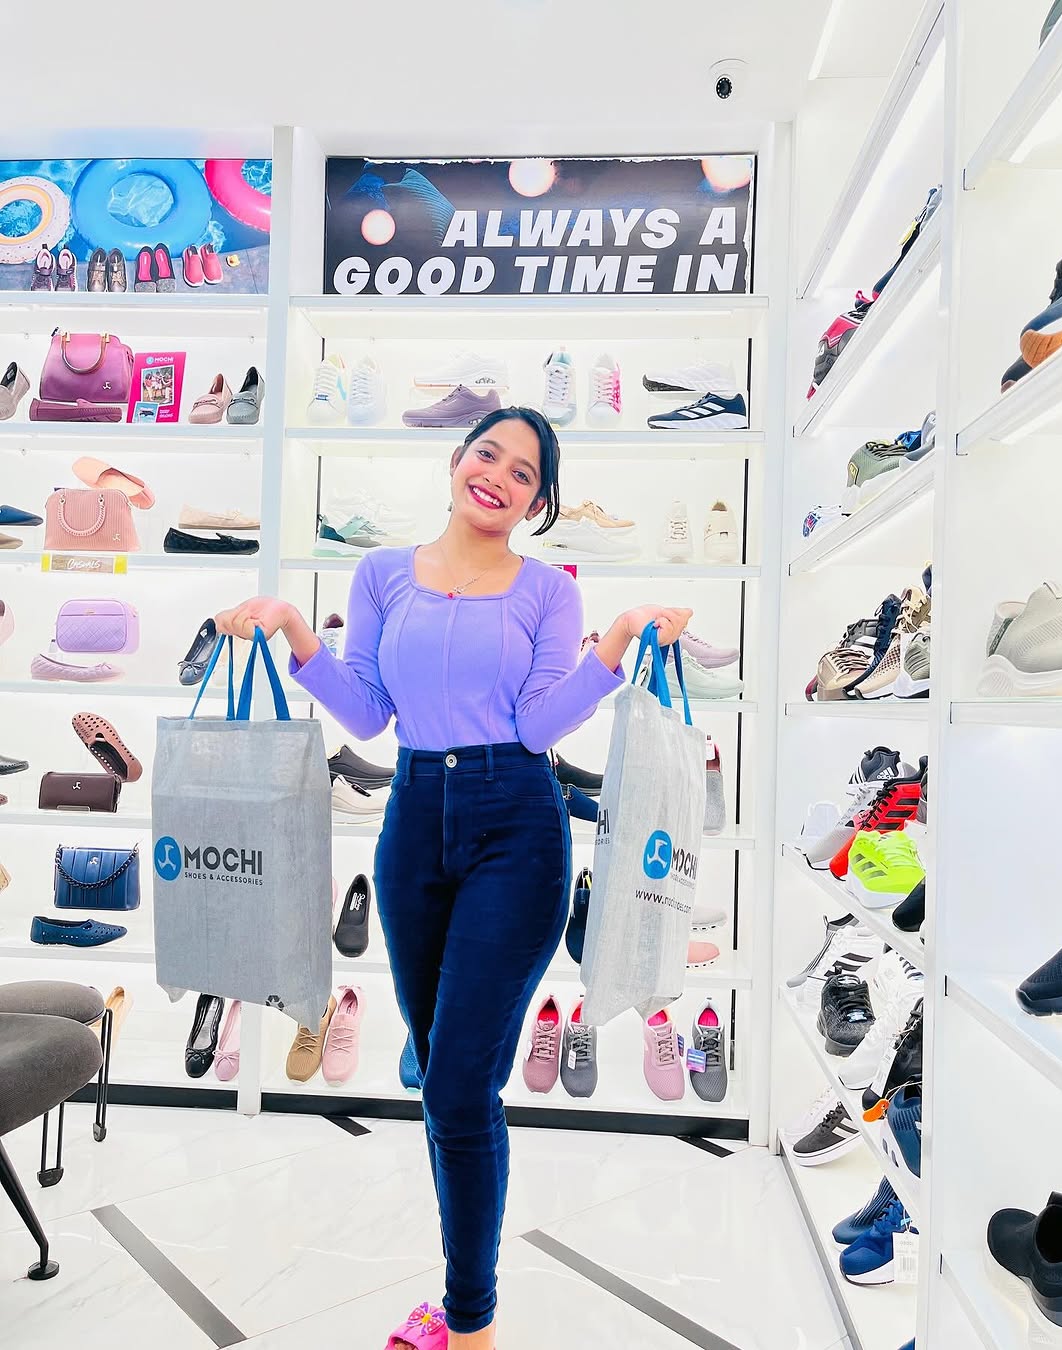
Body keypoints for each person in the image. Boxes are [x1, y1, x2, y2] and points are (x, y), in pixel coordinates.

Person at [215, 406, 691, 1350]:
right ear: (455, 460)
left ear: (538, 502)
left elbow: (540, 726)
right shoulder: (382, 574)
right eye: (489, 455)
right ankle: (463, 1301)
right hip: (411, 824)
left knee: (459, 1086)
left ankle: (471, 1325)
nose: (499, 478)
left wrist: (614, 641)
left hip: (517, 823)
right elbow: (368, 714)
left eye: (524, 474)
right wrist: (295, 631)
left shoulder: (547, 591)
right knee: (443, 1077)